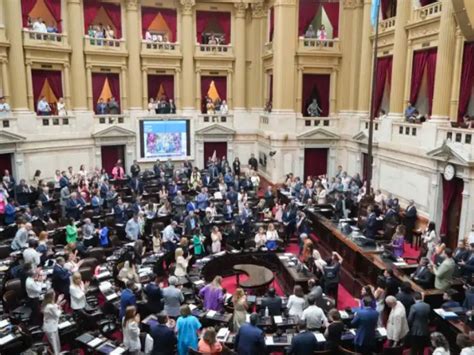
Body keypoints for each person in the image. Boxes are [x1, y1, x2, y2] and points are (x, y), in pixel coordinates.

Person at [42, 290, 65, 355]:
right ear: (51, 297)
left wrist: (58, 301)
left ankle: (58, 352)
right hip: (50, 328)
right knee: (54, 345)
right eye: (54, 295)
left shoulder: (47, 304)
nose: (55, 296)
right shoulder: (50, 306)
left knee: (57, 343)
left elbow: (53, 306)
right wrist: (60, 308)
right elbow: (57, 314)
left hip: (52, 326)